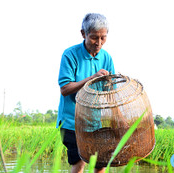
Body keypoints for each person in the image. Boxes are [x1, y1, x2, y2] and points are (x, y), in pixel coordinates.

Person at [57, 13, 115, 173]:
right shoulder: (70, 55)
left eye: (103, 38)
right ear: (83, 34)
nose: (99, 43)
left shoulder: (106, 57)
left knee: (100, 164)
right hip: (72, 121)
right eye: (94, 37)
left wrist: (109, 85)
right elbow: (65, 89)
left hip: (96, 122)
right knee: (79, 162)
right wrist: (93, 78)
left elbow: (110, 91)